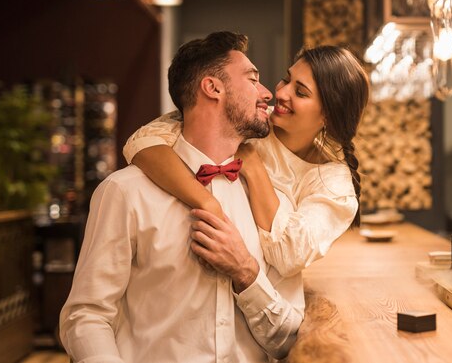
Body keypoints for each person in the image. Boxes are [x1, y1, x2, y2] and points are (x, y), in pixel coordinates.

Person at [60, 32, 304, 363]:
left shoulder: (273, 205)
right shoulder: (125, 192)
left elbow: (289, 341)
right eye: (252, 80)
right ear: (213, 88)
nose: (266, 94)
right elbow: (86, 316)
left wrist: (246, 272)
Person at [123, 44, 370, 278]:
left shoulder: (334, 186)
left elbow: (289, 256)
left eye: (301, 92)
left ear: (328, 114)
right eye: (287, 79)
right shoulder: (252, 119)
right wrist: (208, 204)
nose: (280, 93)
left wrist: (253, 168)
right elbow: (142, 141)